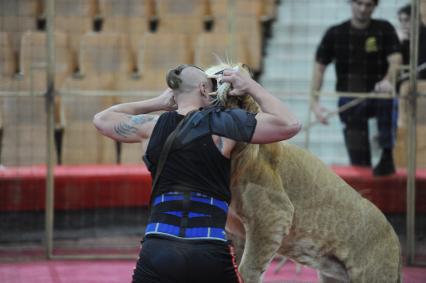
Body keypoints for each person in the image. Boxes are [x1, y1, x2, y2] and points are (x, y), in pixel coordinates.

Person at [93, 64, 301, 283]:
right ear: (203, 89)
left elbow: (102, 119)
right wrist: (250, 86)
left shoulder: (151, 127)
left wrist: (158, 102)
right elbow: (289, 124)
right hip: (207, 247)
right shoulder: (223, 125)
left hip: (158, 247)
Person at [312, 0, 402, 176]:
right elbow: (319, 66)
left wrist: (388, 80)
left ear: (374, 6)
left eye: (368, 5)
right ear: (351, 3)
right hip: (350, 96)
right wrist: (314, 103)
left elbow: (396, 59)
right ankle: (363, 173)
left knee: (389, 100)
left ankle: (386, 154)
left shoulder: (384, 29)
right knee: (359, 160)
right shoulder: (335, 33)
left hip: (379, 93)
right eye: (359, 3)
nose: (363, 9)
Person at [397, 3, 426, 80]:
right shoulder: (405, 40)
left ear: (418, 20)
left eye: (407, 20)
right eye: (401, 21)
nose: (403, 25)